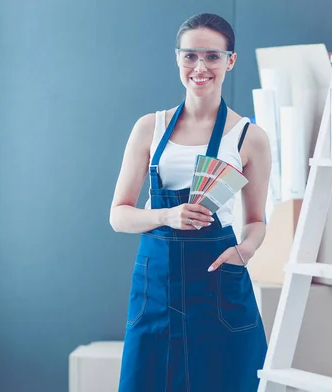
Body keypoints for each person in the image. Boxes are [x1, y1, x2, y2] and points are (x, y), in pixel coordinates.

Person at [109, 12, 271, 392]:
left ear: (230, 61)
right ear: (177, 58)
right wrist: (168, 214)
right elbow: (118, 216)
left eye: (213, 57)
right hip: (157, 288)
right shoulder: (150, 127)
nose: (201, 67)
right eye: (190, 56)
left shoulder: (250, 137)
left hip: (217, 285)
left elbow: (256, 221)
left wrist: (244, 251)